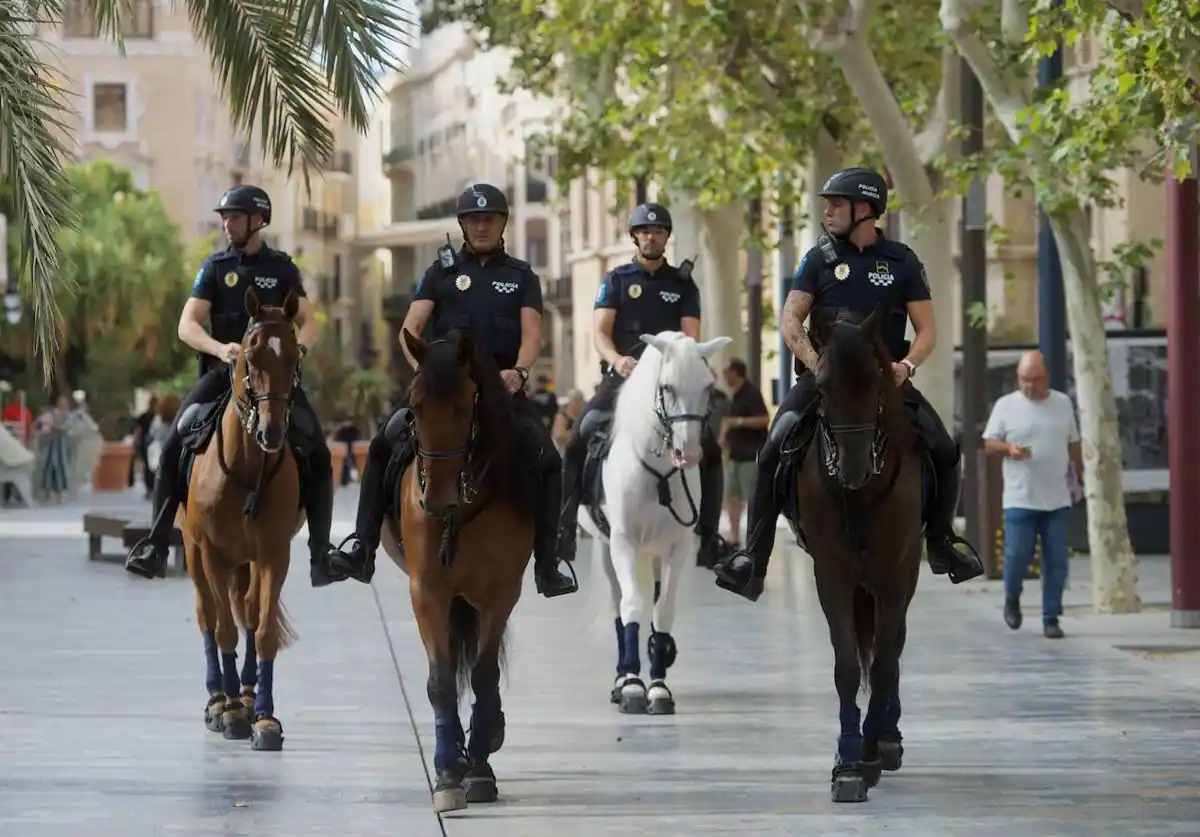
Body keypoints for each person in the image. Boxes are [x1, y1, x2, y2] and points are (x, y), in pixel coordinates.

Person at [714, 166, 984, 601]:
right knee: (771, 449)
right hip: (824, 381)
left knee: (945, 449)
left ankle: (941, 541)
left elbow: (928, 330)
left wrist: (908, 366)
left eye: (837, 205)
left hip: (886, 381)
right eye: (828, 205)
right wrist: (817, 363)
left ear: (866, 210)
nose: (829, 213)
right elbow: (791, 320)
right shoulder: (818, 258)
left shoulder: (903, 261)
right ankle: (753, 557)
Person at [326, 183, 577, 598]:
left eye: (490, 219)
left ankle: (547, 564)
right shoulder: (439, 274)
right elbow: (411, 328)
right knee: (382, 446)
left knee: (547, 458)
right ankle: (362, 546)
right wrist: (425, 370)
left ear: (502, 224)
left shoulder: (521, 277)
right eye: (474, 219)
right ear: (462, 224)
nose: (481, 226)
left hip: (500, 391)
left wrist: (520, 370)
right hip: (444, 392)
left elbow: (532, 334)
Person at [124, 184, 338, 587]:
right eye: (224, 217)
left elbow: (307, 321)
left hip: (273, 379)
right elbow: (187, 325)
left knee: (317, 449)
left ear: (259, 220)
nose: (226, 224)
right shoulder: (216, 267)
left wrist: (297, 353)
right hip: (221, 376)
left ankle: (321, 552)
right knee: (174, 442)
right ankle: (155, 542)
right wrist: (219, 348)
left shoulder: (282, 269)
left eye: (234, 217)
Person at [556, 202, 728, 568]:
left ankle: (709, 536)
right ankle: (565, 528)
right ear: (635, 236)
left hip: (668, 384)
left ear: (667, 237)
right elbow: (600, 334)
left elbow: (691, 337)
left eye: (659, 231)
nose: (652, 237)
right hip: (621, 379)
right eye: (645, 231)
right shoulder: (616, 279)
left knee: (709, 449)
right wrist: (618, 359)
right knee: (580, 437)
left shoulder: (682, 284)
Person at [983, 350, 1082, 639]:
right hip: (1020, 497)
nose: (1030, 386)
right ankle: (1012, 597)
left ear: (1046, 377)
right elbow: (989, 442)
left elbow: (1073, 443)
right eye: (1025, 379)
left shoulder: (1063, 404)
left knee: (1056, 561)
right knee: (1017, 555)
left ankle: (1051, 616)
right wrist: (1008, 449)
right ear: (1018, 377)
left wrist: (1080, 472)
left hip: (1057, 497)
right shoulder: (1006, 405)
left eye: (1036, 380)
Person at [718, 358, 769, 549]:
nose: (724, 377)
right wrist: (723, 438)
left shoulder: (751, 393)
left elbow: (764, 419)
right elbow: (727, 422)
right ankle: (734, 537)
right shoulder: (734, 395)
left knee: (752, 498)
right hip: (735, 455)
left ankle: (755, 539)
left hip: (750, 454)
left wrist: (738, 422)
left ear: (735, 373)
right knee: (732, 498)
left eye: (726, 372)